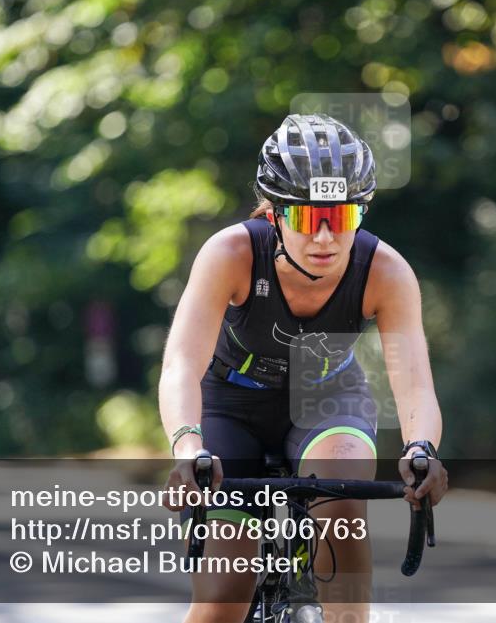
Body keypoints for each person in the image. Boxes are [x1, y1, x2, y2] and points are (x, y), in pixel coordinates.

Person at [157, 113, 448, 623]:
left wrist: (420, 449)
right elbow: (182, 360)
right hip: (230, 404)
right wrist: (188, 446)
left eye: (343, 217)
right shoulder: (231, 253)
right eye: (308, 218)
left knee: (341, 508)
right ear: (274, 215)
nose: (326, 238)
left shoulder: (385, 271)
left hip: (327, 399)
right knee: (223, 594)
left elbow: (414, 379)